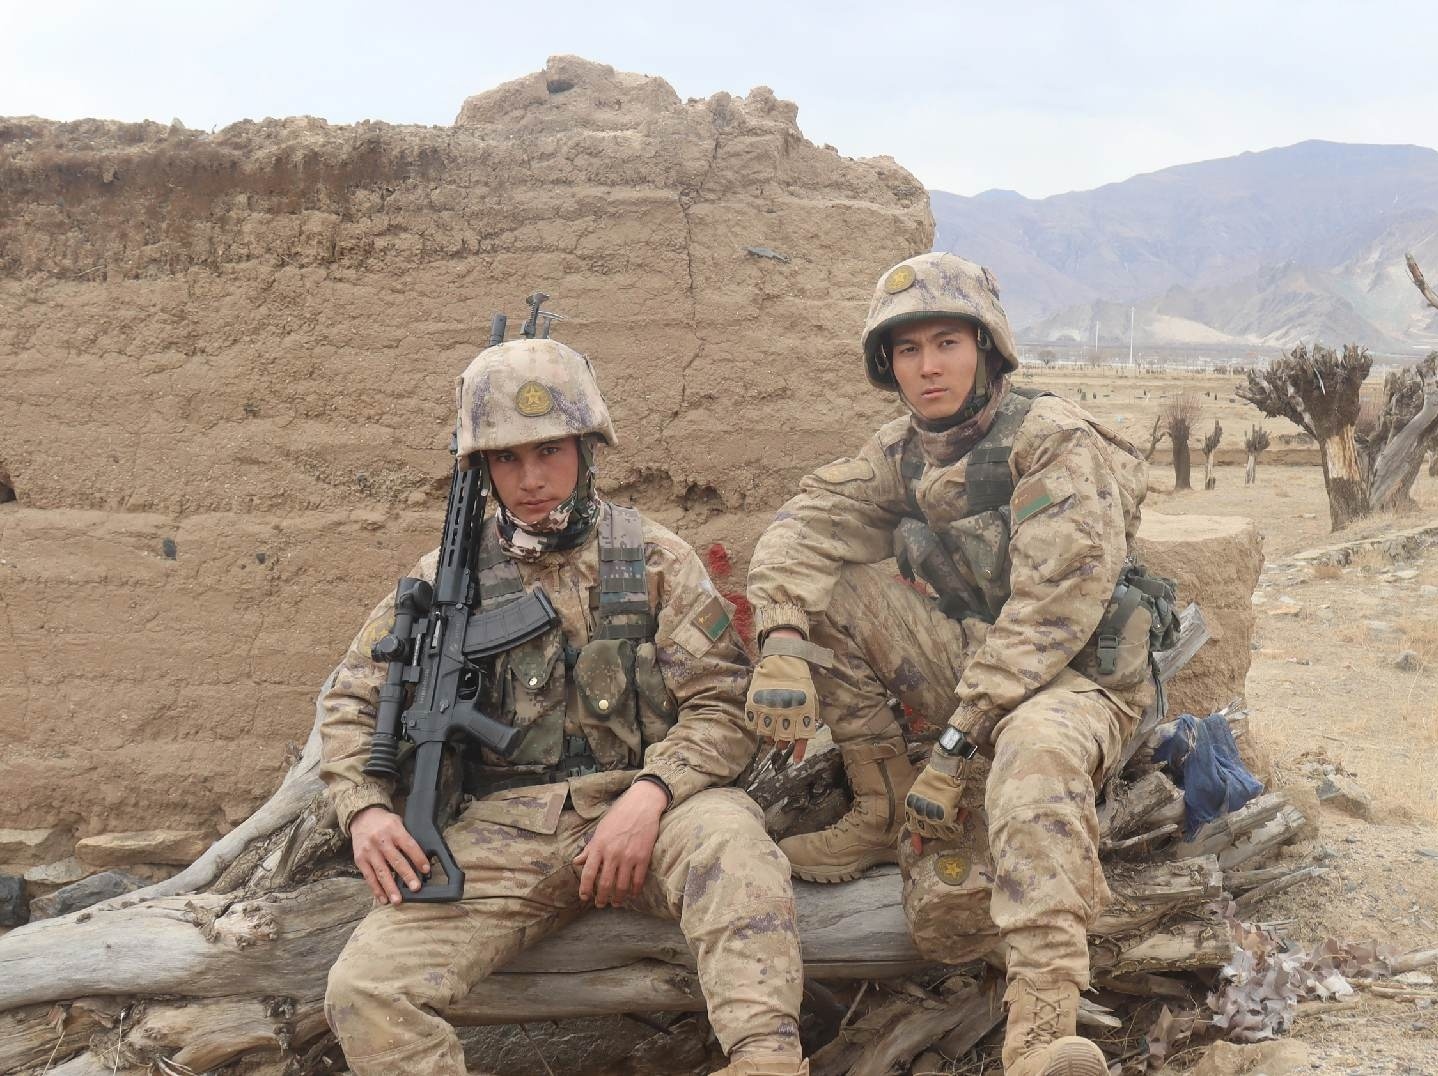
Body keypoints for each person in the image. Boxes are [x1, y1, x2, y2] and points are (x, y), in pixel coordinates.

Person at [320, 336, 807, 1076]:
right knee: (365, 990)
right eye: (506, 459)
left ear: (586, 449)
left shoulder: (653, 560)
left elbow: (724, 703)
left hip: (652, 816)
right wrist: (365, 811)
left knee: (733, 842)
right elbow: (353, 701)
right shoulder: (444, 583)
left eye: (549, 451)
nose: (531, 479)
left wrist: (650, 795)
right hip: (500, 836)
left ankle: (765, 1061)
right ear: (482, 469)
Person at [745, 253, 1171, 1076]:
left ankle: (1041, 1030)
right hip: (980, 660)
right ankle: (883, 807)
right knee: (831, 594)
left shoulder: (1052, 441)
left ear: (987, 347)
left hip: (1073, 678)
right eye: (908, 350)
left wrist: (957, 742)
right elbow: (807, 525)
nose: (928, 367)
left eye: (947, 343)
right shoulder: (903, 451)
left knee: (1033, 757)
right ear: (888, 365)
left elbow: (1051, 611)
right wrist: (782, 638)